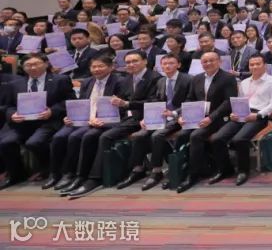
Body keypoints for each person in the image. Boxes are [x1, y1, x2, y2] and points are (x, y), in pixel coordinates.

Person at [67, 49, 162, 198]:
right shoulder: (127, 78)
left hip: (147, 118)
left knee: (105, 136)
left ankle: (96, 178)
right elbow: (117, 101)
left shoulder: (155, 77)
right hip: (126, 118)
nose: (131, 64)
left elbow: (156, 101)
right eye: (128, 62)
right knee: (89, 135)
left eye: (135, 61)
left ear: (145, 61)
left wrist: (127, 104)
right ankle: (81, 175)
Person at [49, 54, 129, 195]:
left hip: (107, 121)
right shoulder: (87, 82)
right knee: (59, 137)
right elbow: (82, 104)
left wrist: (99, 119)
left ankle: (81, 175)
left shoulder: (120, 82)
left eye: (100, 66)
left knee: (82, 137)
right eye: (93, 67)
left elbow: (123, 108)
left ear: (111, 67)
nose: (96, 69)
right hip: (85, 119)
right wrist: (71, 116)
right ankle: (60, 174)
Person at [118, 53, 192, 191]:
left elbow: (191, 100)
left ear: (179, 65)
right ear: (161, 66)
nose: (167, 66)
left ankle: (156, 170)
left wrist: (175, 113)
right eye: (164, 64)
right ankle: (138, 168)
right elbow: (156, 101)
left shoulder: (188, 79)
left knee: (157, 135)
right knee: (139, 135)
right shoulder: (161, 81)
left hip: (180, 117)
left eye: (171, 63)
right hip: (161, 116)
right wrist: (147, 117)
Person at [0, 53, 74, 189]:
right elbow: (7, 106)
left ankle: (51, 169)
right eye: (28, 65)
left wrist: (52, 111)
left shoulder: (60, 80)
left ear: (46, 64)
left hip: (47, 121)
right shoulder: (15, 83)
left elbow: (70, 101)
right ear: (23, 67)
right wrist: (12, 114)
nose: (32, 67)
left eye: (36, 64)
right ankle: (17, 174)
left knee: (35, 142)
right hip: (21, 122)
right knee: (6, 142)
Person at [210, 54, 272, 186]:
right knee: (217, 138)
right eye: (251, 64)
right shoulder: (244, 82)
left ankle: (243, 171)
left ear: (264, 65)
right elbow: (239, 101)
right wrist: (233, 113)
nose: (254, 67)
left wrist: (258, 115)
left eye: (258, 64)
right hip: (241, 113)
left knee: (239, 139)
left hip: (259, 116)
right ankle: (225, 169)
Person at [174, 51, 238, 193]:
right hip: (198, 117)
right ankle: (188, 168)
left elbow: (228, 102)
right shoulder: (196, 78)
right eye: (205, 61)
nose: (208, 63)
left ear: (219, 62)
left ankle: (193, 174)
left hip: (220, 118)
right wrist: (183, 115)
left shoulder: (228, 78)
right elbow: (190, 98)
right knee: (181, 135)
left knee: (195, 136)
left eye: (211, 60)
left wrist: (211, 118)